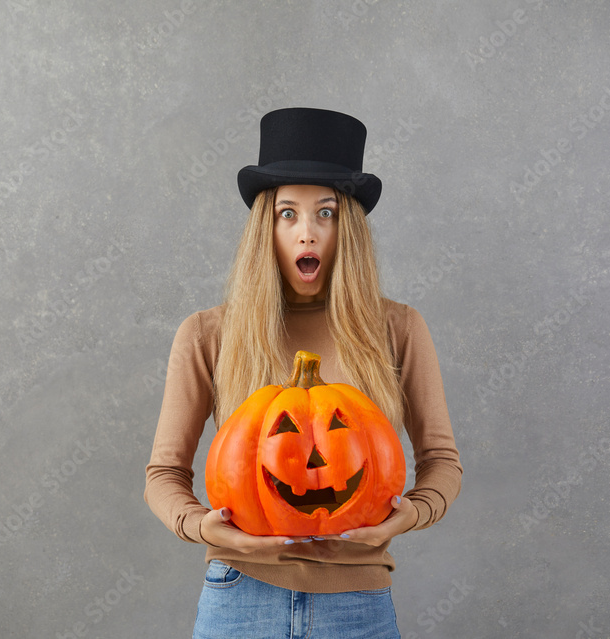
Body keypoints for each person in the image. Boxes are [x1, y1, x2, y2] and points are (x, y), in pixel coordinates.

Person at [145, 107, 462, 638]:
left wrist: (412, 514)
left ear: (350, 227)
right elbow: (163, 474)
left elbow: (442, 461)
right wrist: (206, 528)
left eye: (327, 213)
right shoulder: (207, 333)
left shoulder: (399, 328)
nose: (307, 233)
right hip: (238, 597)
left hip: (357, 603)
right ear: (264, 227)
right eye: (287, 213)